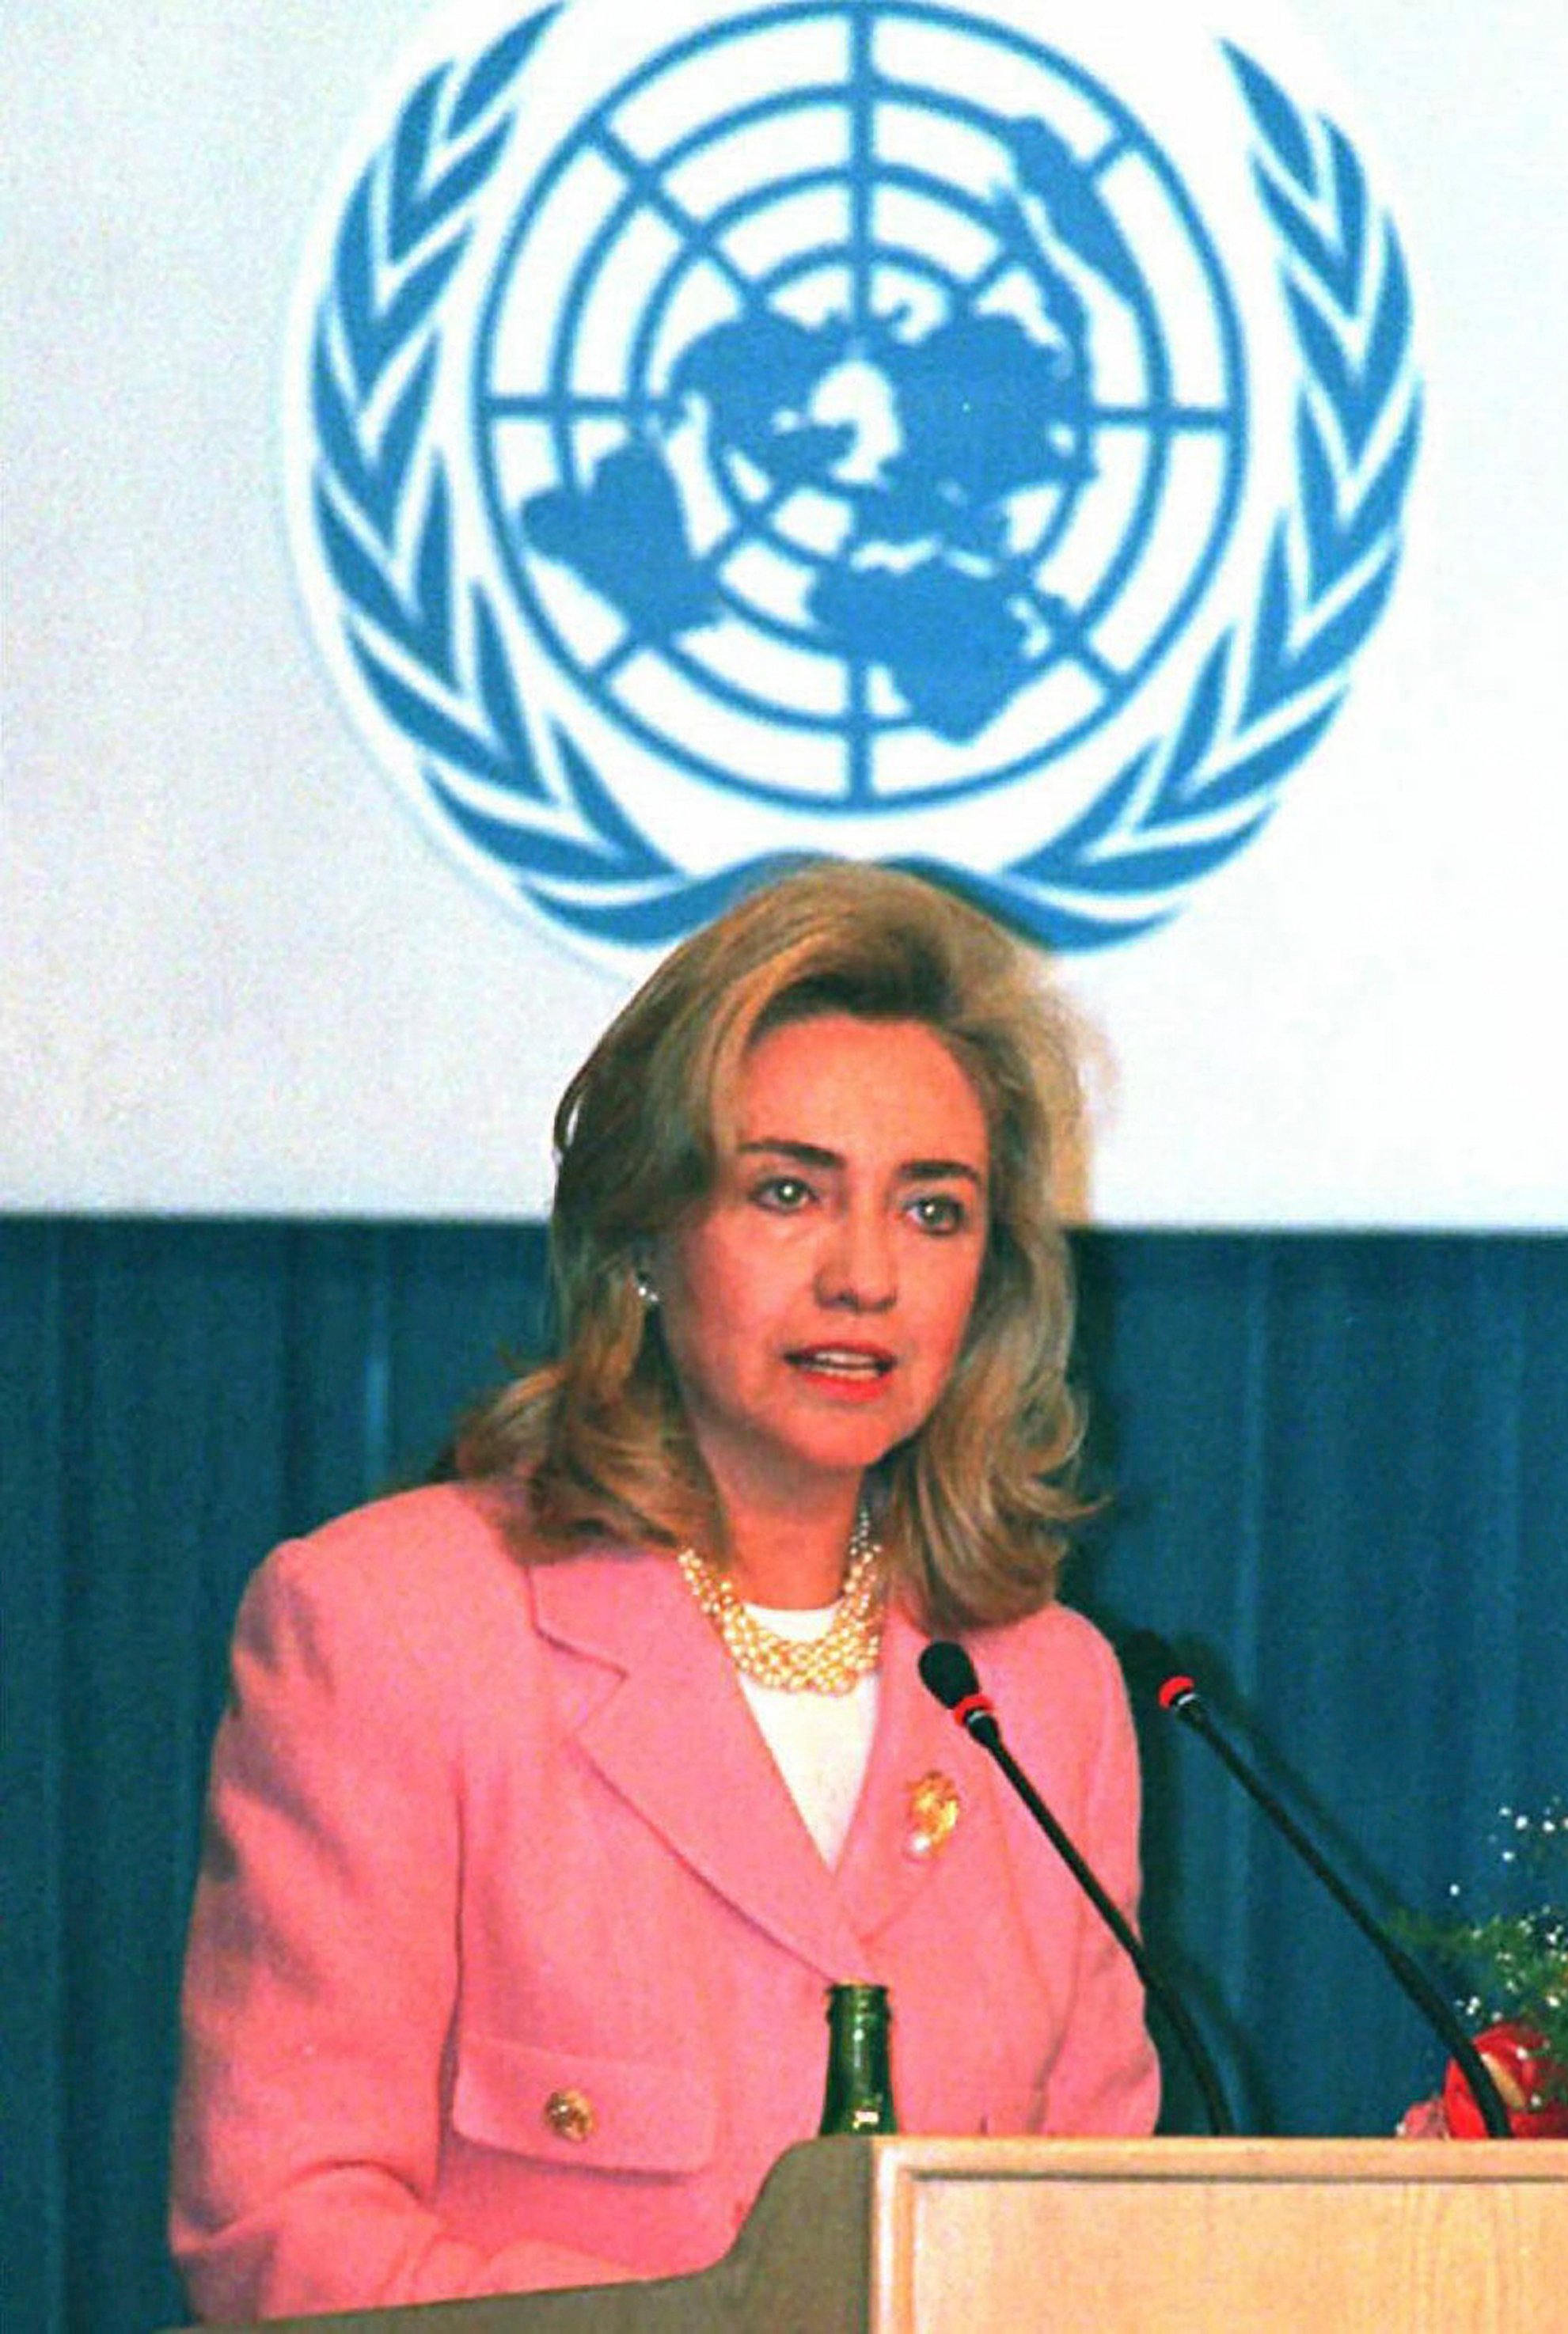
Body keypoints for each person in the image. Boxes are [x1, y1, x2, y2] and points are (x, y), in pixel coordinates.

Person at [169, 863, 1159, 2319]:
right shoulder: (391, 1630)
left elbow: (1104, 2249)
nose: (865, 1276)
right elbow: (284, 2236)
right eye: (786, 1191)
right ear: (642, 1236)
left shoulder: (1047, 1687)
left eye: (933, 1211)